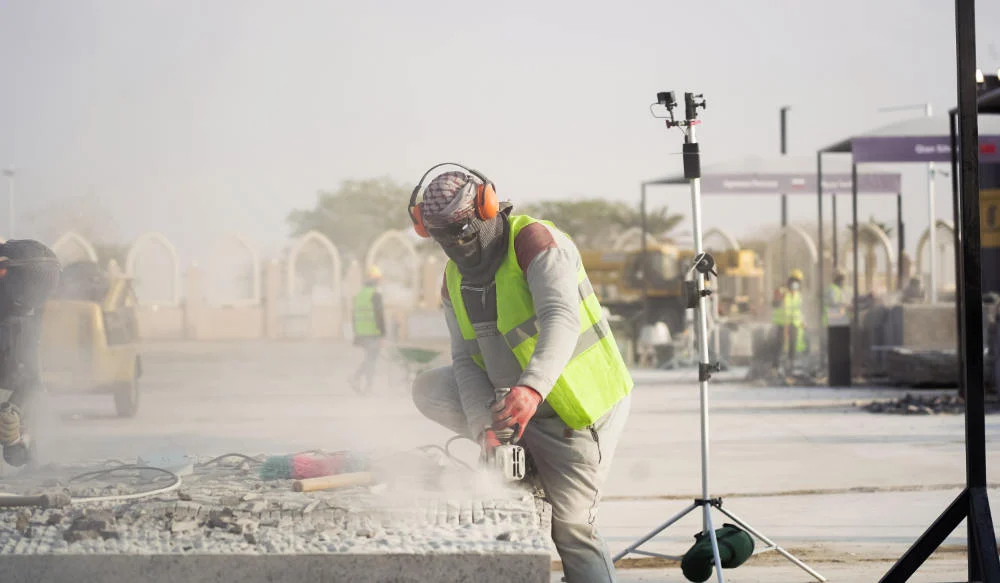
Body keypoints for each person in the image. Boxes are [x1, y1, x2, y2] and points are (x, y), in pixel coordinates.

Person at [408, 163, 633, 583]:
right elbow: (464, 362)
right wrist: (483, 429)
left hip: (578, 412)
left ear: (488, 209)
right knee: (430, 388)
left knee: (573, 530)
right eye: (444, 238)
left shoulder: (535, 244)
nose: (456, 245)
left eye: (463, 231)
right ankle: (523, 457)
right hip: (517, 406)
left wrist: (530, 389)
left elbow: (561, 318)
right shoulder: (453, 280)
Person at [0, 240, 61, 467]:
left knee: (32, 387)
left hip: (17, 356)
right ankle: (18, 441)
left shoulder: (23, 317)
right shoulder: (28, 315)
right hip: (18, 357)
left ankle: (18, 441)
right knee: (32, 387)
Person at [349, 265, 385, 394]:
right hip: (373, 333)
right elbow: (379, 315)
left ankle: (355, 378)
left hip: (361, 333)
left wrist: (356, 332)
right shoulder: (375, 294)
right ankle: (367, 387)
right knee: (372, 361)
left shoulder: (359, 295)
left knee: (369, 358)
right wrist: (382, 335)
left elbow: (353, 316)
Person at [772, 269, 805, 371]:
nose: (796, 283)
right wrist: (779, 298)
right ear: (790, 280)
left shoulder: (798, 294)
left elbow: (799, 310)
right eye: (795, 280)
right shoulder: (781, 291)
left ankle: (791, 365)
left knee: (793, 345)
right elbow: (774, 304)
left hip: (794, 323)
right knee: (780, 345)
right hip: (782, 322)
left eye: (798, 281)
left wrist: (802, 321)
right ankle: (776, 366)